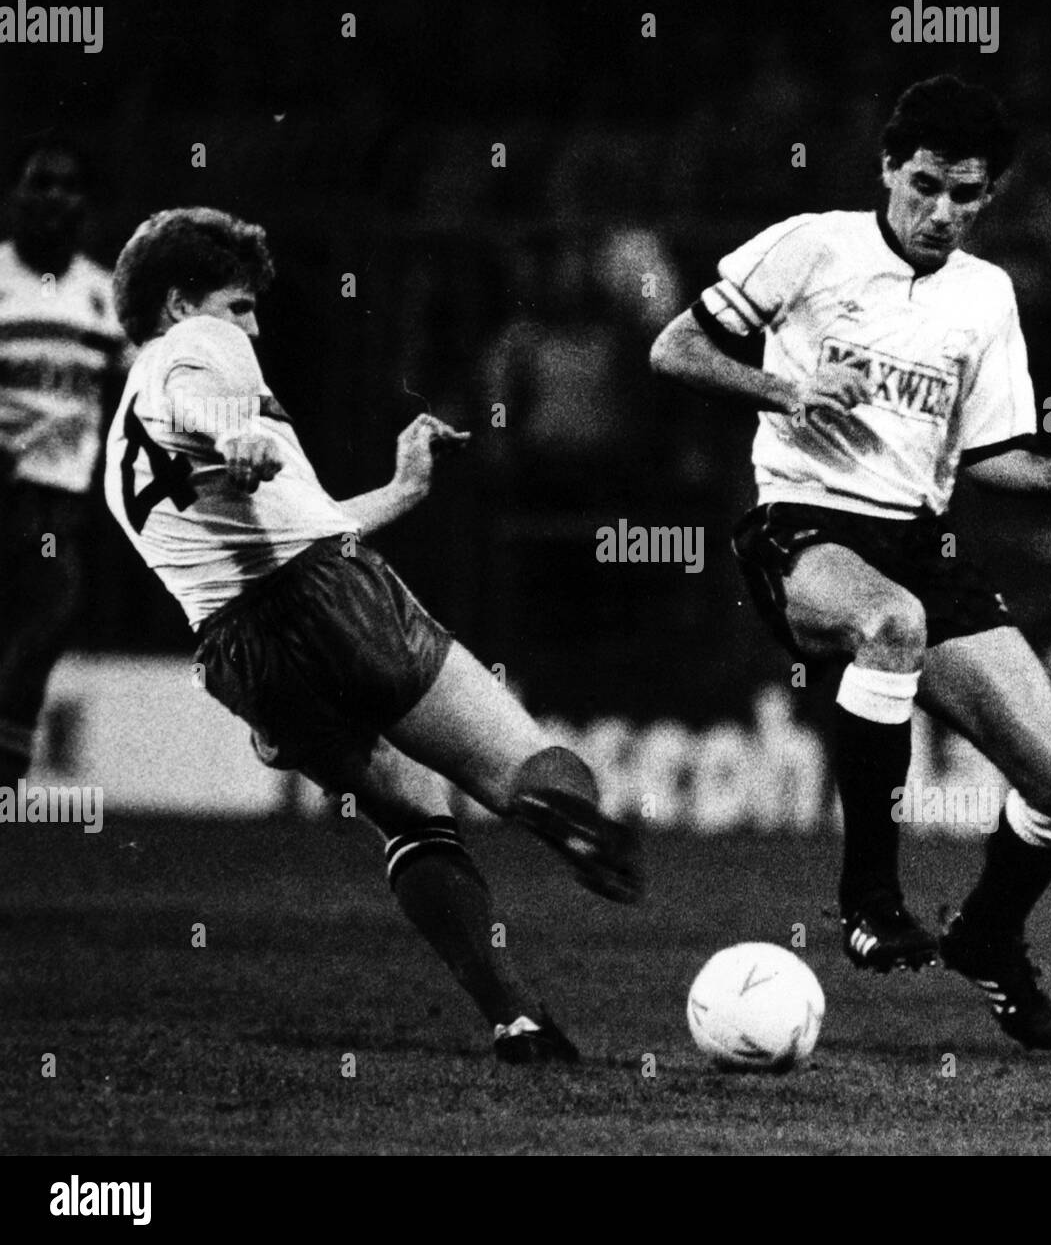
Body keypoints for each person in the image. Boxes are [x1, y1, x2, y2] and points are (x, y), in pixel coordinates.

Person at [650, 76, 1051, 1049]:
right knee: (887, 623)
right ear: (887, 168)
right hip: (799, 526)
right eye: (924, 184)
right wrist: (786, 388)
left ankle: (986, 933)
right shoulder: (811, 245)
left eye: (966, 195)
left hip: (919, 548)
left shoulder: (985, 295)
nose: (940, 212)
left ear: (989, 195)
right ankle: (869, 900)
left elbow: (987, 457)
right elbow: (674, 348)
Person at [103, 207, 641, 1064]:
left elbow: (288, 524)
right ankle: (558, 812)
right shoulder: (197, 350)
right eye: (239, 304)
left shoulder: (119, 449)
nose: (252, 323)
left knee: (410, 813)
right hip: (336, 599)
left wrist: (400, 491)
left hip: (241, 655)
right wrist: (238, 430)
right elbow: (209, 401)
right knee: (513, 758)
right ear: (178, 305)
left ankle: (517, 1019)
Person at [0, 137, 125, 790]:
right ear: (14, 198)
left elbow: (140, 392)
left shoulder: (105, 297)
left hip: (58, 506)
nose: (53, 198)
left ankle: (7, 763)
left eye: (67, 185)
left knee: (46, 627)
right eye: (39, 183)